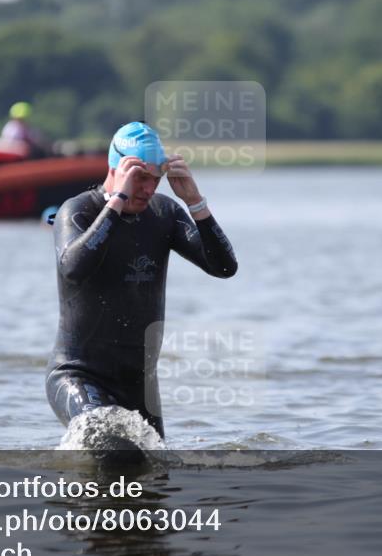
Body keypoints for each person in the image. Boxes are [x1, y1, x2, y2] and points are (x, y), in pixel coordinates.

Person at [46, 121, 238, 438]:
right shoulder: (78, 211)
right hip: (79, 376)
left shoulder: (164, 213)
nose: (149, 189)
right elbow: (73, 268)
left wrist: (195, 202)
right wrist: (118, 200)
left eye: (155, 179)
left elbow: (224, 267)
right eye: (141, 178)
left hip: (139, 385)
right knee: (110, 446)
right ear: (117, 169)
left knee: (152, 467)